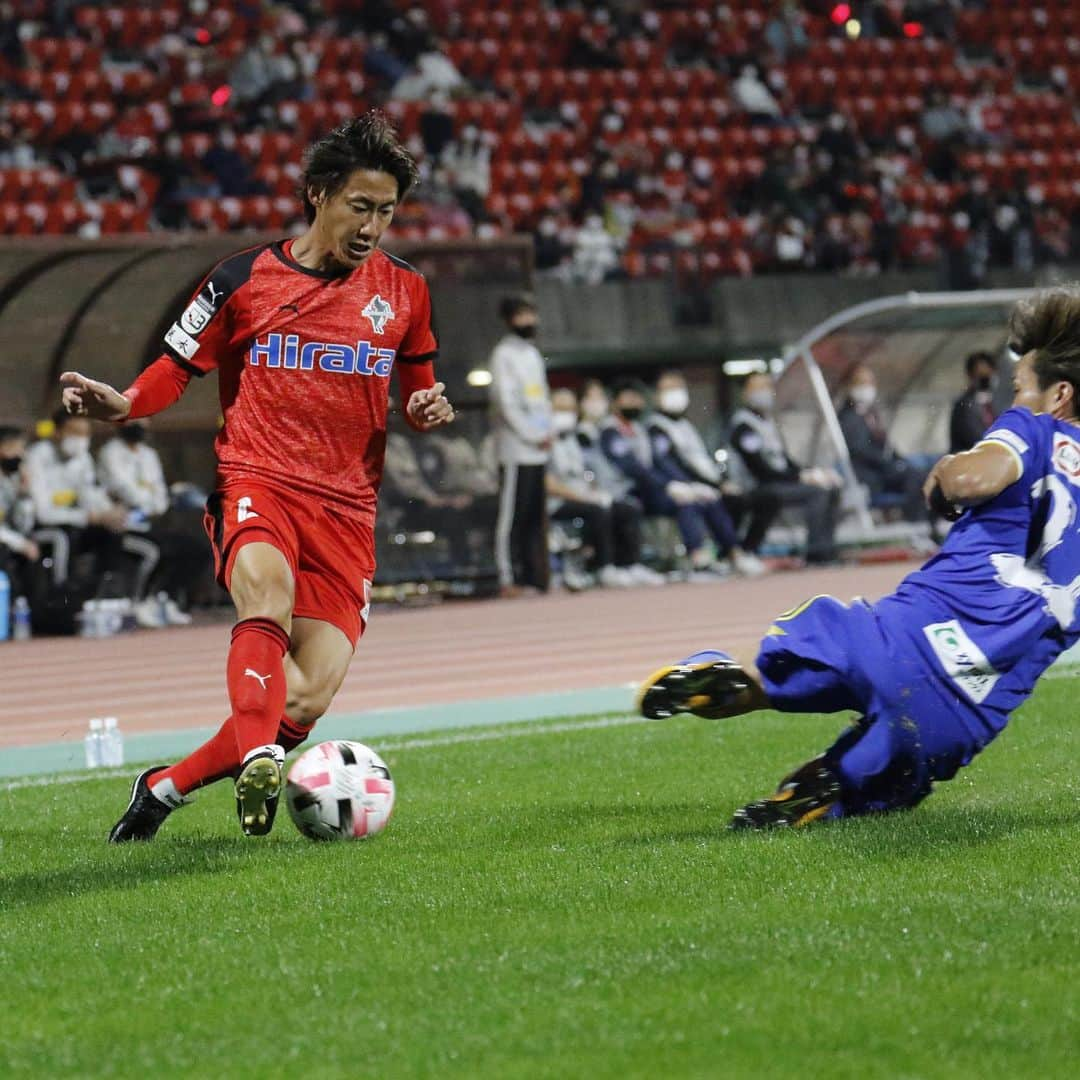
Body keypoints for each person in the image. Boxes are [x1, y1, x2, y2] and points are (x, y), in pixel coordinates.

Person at [60, 112, 454, 842]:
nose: (373, 225)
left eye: (387, 211)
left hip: (347, 506)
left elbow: (420, 389)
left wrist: (427, 407)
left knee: (302, 699)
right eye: (359, 206)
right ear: (317, 194)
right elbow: (174, 369)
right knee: (265, 599)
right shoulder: (242, 278)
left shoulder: (404, 291)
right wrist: (124, 404)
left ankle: (164, 786)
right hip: (259, 478)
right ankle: (262, 755)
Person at [636, 286, 1080, 829]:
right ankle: (829, 782)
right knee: (891, 776)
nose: (1014, 400)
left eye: (1019, 388)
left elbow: (972, 477)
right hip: (969, 708)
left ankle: (737, 681)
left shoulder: (1033, 429)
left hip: (906, 636)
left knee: (817, 664)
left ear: (1058, 396)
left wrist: (943, 475)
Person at [601, 380, 756, 576]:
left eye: (637, 399)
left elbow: (658, 463)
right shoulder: (610, 431)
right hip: (626, 491)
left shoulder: (639, 429)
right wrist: (667, 486)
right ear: (615, 403)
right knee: (684, 503)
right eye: (628, 399)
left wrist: (688, 485)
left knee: (707, 499)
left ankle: (734, 553)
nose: (634, 403)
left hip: (650, 488)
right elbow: (632, 468)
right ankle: (698, 559)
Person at [648, 371, 778, 569]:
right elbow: (675, 464)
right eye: (668, 389)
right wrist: (708, 485)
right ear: (656, 396)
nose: (675, 394)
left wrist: (717, 482)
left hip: (704, 482)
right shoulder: (656, 428)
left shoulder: (685, 425)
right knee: (706, 500)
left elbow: (701, 460)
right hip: (675, 486)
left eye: (678, 388)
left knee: (732, 498)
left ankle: (735, 552)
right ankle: (704, 558)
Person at [547, 387, 664, 587]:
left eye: (570, 409)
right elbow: (548, 483)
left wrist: (595, 491)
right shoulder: (544, 441)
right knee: (598, 510)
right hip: (557, 502)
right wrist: (582, 497)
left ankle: (630, 564)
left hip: (582, 496)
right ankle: (604, 566)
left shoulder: (573, 439)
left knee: (627, 508)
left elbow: (587, 473)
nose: (565, 413)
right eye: (559, 408)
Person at [97, 419, 209, 626]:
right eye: (134, 420)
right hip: (123, 527)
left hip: (150, 522)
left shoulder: (149, 455)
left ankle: (166, 599)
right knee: (152, 552)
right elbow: (123, 488)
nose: (139, 425)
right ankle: (139, 602)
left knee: (197, 549)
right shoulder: (110, 453)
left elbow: (159, 493)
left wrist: (152, 504)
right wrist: (149, 503)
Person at [729, 372, 842, 565]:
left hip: (778, 482)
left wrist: (813, 472)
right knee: (816, 493)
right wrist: (801, 478)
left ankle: (827, 549)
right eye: (757, 388)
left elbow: (784, 461)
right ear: (746, 393)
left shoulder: (768, 423)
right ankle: (815, 554)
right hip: (755, 487)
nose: (764, 392)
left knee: (830, 488)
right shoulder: (743, 426)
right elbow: (761, 470)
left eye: (767, 387)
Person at [488, 293, 552, 596]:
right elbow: (507, 403)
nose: (529, 321)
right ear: (509, 320)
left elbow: (540, 400)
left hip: (538, 449)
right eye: (522, 315)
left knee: (533, 515)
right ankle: (508, 576)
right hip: (515, 449)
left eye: (532, 314)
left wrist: (545, 432)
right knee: (512, 515)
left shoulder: (532, 353)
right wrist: (531, 435)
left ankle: (533, 576)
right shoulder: (504, 355)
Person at [23, 409, 130, 584]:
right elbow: (42, 513)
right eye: (75, 433)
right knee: (64, 537)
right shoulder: (37, 457)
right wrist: (87, 517)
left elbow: (88, 493)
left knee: (111, 532)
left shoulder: (83, 459)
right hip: (42, 527)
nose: (81, 440)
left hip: (75, 521)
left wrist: (108, 513)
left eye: (85, 434)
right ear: (57, 432)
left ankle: (104, 590)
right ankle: (62, 591)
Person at [836, 363, 929, 521]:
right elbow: (859, 448)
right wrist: (887, 462)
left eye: (870, 383)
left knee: (921, 473)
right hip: (870, 474)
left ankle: (925, 521)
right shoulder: (848, 416)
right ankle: (915, 522)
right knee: (913, 477)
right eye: (862, 383)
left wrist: (899, 460)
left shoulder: (870, 412)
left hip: (884, 469)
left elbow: (884, 443)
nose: (868, 388)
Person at [0, 424, 40, 590]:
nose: (21, 455)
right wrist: (20, 544)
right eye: (15, 449)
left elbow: (24, 526)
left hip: (10, 538)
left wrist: (24, 494)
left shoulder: (11, 481)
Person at [950, 350, 1001, 453]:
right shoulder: (964, 406)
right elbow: (975, 438)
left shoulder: (995, 402)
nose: (986, 380)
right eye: (982, 376)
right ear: (970, 376)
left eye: (989, 375)